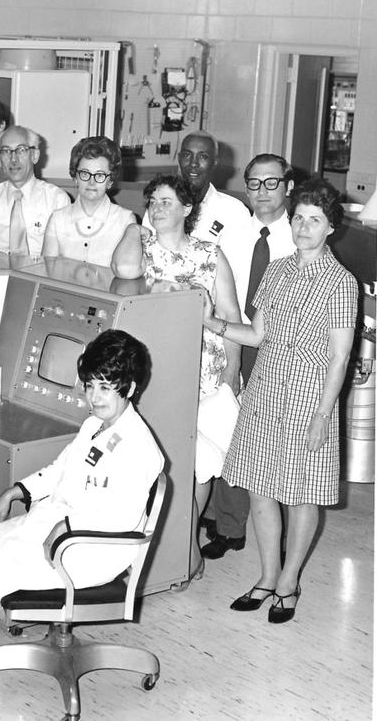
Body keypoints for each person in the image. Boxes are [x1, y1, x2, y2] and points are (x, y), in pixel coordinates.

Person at [0, 329, 163, 687]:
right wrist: (17, 490)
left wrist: (65, 529)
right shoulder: (96, 424)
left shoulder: (139, 448)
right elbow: (60, 469)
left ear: (128, 388)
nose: (93, 398)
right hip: (59, 526)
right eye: (89, 386)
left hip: (88, 549)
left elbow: (120, 519)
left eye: (104, 388)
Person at [205, 178, 357, 624]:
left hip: (310, 395)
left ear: (331, 228)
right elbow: (256, 334)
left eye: (315, 220)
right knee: (260, 488)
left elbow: (340, 358)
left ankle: (290, 581)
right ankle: (267, 576)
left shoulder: (341, 284)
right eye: (299, 218)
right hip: (266, 389)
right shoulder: (277, 270)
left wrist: (323, 416)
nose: (304, 227)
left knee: (302, 493)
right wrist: (210, 321)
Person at [112, 174, 241, 576]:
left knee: (206, 464)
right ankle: (176, 549)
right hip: (159, 380)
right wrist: (135, 225)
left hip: (208, 378)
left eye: (167, 201)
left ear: (188, 209)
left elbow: (231, 315)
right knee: (174, 462)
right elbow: (125, 267)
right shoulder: (141, 245)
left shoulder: (211, 254)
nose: (157, 206)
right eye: (153, 200)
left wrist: (233, 372)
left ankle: (184, 543)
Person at [201, 153, 297, 561]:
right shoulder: (233, 231)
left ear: (288, 186)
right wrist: (229, 356)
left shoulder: (301, 236)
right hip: (231, 340)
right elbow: (223, 296)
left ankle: (278, 521)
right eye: (254, 183)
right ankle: (229, 525)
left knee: (272, 438)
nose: (261, 192)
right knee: (231, 430)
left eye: (271, 183)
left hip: (280, 349)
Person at [41, 135, 135, 265]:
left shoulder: (125, 221)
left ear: (110, 181)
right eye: (85, 173)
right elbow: (47, 270)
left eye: (100, 175)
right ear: (75, 177)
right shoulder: (57, 220)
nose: (91, 182)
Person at [0, 126, 70, 255]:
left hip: (40, 273)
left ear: (35, 155)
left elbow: (63, 258)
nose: (13, 159)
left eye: (21, 150)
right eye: (6, 151)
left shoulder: (57, 200)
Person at [171, 130, 249, 243]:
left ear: (215, 162)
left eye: (203, 156)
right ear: (179, 159)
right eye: (187, 155)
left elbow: (236, 260)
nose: (193, 163)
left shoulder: (235, 212)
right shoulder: (159, 205)